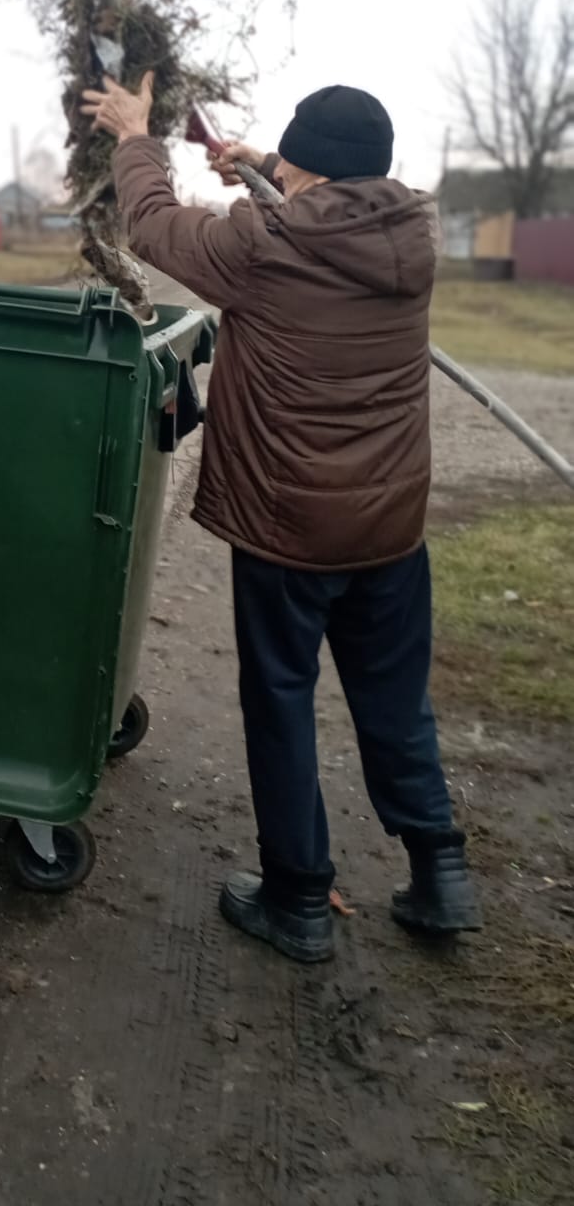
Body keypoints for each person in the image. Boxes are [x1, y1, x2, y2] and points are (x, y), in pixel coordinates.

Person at [80, 75, 481, 963]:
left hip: (289, 529)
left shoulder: (263, 245)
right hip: (389, 527)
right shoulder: (413, 235)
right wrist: (261, 163)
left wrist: (138, 138)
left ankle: (299, 898)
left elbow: (152, 225)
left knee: (282, 700)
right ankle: (440, 872)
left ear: (301, 173)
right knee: (394, 699)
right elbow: (323, 201)